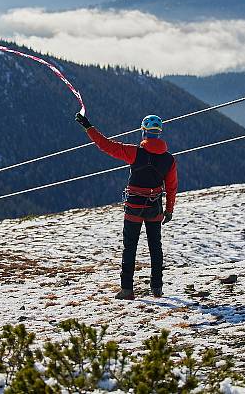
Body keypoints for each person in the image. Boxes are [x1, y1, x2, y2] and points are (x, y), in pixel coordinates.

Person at [75, 113, 178, 300]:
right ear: (159, 133)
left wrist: (88, 127)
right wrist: (169, 210)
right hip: (155, 207)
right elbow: (171, 187)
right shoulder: (169, 160)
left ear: (143, 132)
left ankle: (127, 289)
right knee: (156, 247)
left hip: (134, 207)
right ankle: (157, 288)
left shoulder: (134, 152)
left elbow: (105, 145)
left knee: (129, 247)